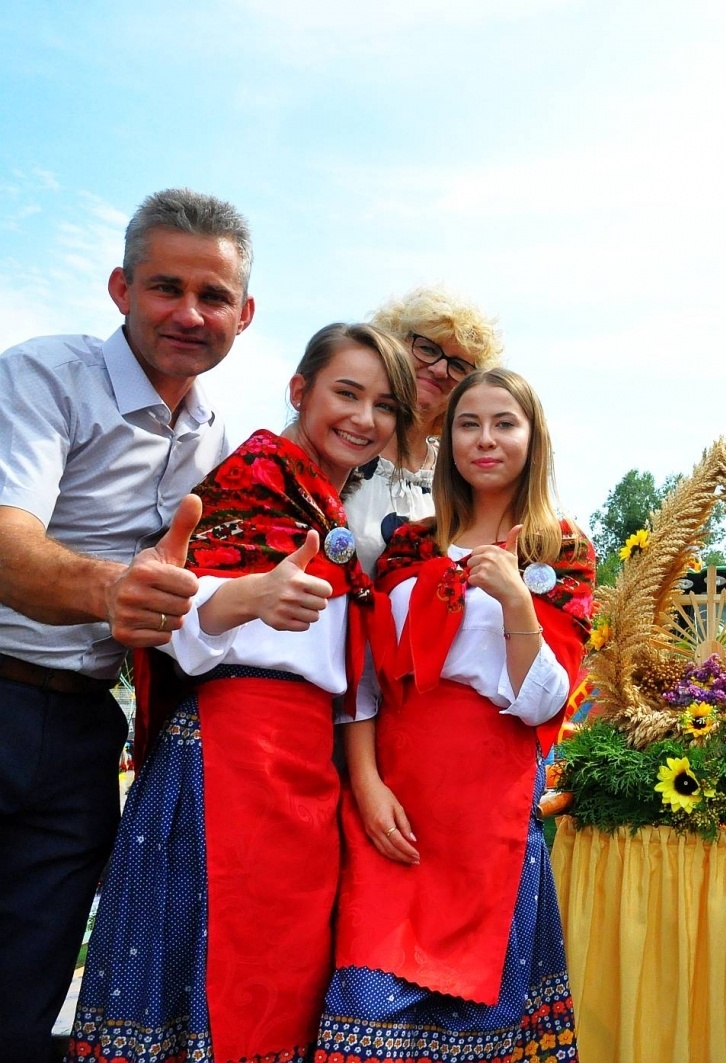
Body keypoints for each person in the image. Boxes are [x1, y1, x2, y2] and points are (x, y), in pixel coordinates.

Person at [70, 323, 417, 1062]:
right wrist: (248, 596)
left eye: (384, 405)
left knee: (282, 977)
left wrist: (362, 774)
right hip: (227, 758)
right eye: (346, 393)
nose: (364, 418)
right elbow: (174, 609)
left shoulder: (334, 511)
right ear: (301, 390)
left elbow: (351, 672)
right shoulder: (253, 475)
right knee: (207, 972)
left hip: (303, 770)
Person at [0, 187, 253, 1062]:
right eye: (164, 287)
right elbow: (5, 542)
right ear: (119, 287)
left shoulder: (224, 442)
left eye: (213, 295)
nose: (189, 313)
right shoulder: (42, 376)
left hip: (83, 737)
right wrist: (113, 589)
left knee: (23, 998)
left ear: (245, 313)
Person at [316, 367, 594, 1060]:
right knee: (364, 1008)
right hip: (398, 798)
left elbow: (545, 701)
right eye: (469, 423)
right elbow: (365, 676)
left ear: (533, 438)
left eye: (505, 423)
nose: (485, 439)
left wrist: (518, 603)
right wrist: (367, 782)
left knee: (477, 1024)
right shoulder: (409, 544)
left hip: (489, 809)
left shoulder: (560, 550)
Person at [345, 285, 505, 570]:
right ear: (391, 346)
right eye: (428, 349)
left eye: (459, 366)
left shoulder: (464, 475)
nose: (440, 370)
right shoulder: (342, 445)